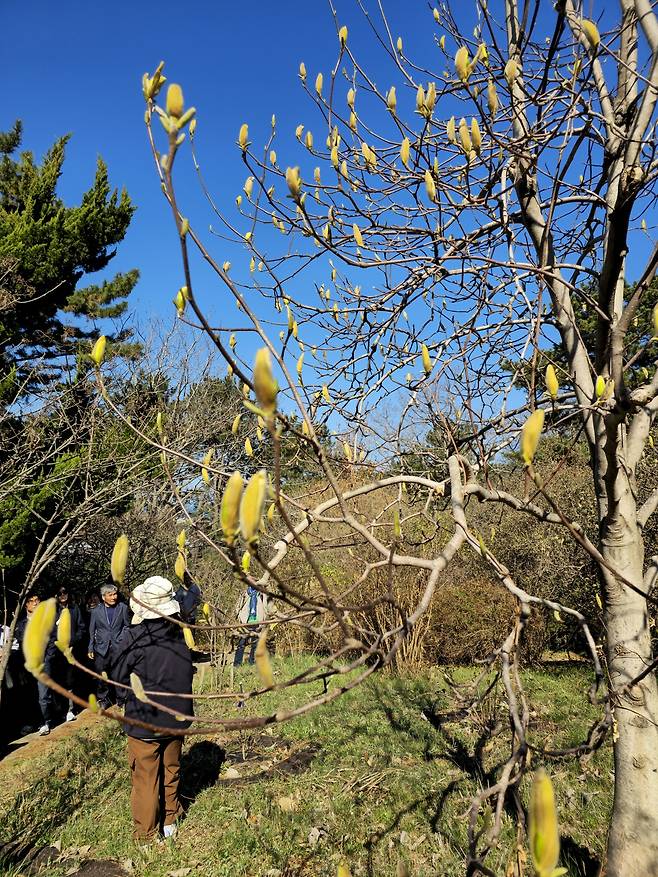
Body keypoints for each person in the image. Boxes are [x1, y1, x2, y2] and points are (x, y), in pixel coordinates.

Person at [113, 576, 194, 843]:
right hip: (177, 717)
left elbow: (118, 676)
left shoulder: (134, 638)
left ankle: (146, 835)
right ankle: (171, 820)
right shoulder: (179, 636)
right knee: (171, 769)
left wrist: (122, 699)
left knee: (146, 778)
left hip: (144, 720)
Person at [14, 592, 55, 735]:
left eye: (37, 600)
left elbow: (52, 640)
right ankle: (34, 722)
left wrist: (48, 658)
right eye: (31, 601)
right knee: (30, 695)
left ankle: (46, 722)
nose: (35, 603)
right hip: (28, 666)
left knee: (43, 695)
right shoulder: (20, 625)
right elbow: (18, 645)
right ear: (26, 605)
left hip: (43, 663)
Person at [88, 584, 130, 708]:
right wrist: (90, 647)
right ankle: (103, 699)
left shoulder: (122, 607)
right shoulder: (96, 611)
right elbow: (92, 630)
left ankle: (122, 699)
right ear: (103, 597)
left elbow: (127, 626)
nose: (113, 597)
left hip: (118, 647)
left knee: (120, 674)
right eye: (110, 595)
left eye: (115, 594)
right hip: (101, 648)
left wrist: (122, 639)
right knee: (101, 675)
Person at [53, 586, 85, 721]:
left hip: (72, 650)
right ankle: (60, 710)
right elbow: (49, 631)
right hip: (56, 652)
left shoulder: (74, 609)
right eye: (60, 593)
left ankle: (70, 709)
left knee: (70, 680)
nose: (62, 595)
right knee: (59, 680)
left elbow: (81, 628)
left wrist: (72, 642)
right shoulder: (53, 611)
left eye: (65, 592)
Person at [233, 585, 268, 667]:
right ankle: (237, 664)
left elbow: (265, 607)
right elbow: (237, 607)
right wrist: (240, 617)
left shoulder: (261, 594)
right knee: (241, 643)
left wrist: (264, 620)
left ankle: (252, 662)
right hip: (245, 622)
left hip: (257, 622)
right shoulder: (244, 594)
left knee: (255, 644)